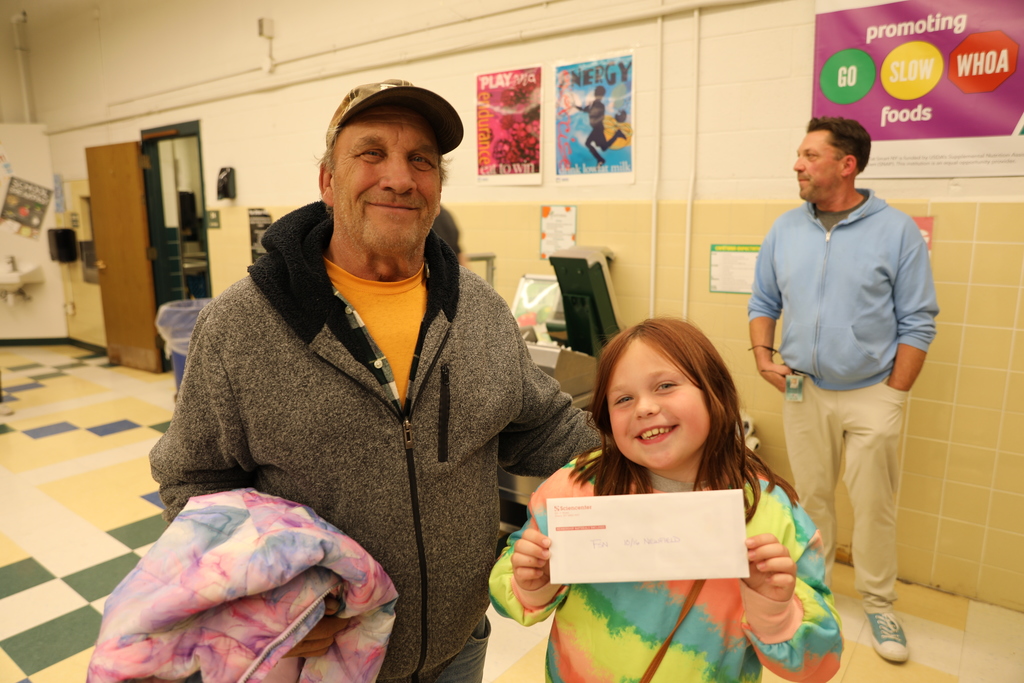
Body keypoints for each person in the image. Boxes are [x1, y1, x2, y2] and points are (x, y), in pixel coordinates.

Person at [149, 78, 598, 683]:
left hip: (457, 645)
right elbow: (193, 481)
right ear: (327, 181)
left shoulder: (479, 312)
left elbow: (544, 427)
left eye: (421, 160)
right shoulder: (243, 324)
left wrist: (671, 455)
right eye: (371, 153)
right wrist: (266, 605)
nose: (400, 177)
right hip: (320, 660)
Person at [489, 318, 843, 683]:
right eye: (623, 399)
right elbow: (507, 589)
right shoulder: (576, 487)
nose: (644, 408)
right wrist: (533, 580)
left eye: (666, 386)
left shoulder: (771, 512)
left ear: (714, 392)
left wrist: (776, 611)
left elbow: (819, 664)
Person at [747, 116, 939, 663]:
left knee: (875, 504)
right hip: (803, 391)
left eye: (809, 155)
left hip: (872, 392)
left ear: (846, 164)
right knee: (811, 502)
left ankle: (880, 604)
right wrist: (764, 357)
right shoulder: (786, 228)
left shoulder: (896, 230)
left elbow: (919, 320)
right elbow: (764, 302)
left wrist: (894, 393)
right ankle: (815, 593)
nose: (797, 165)